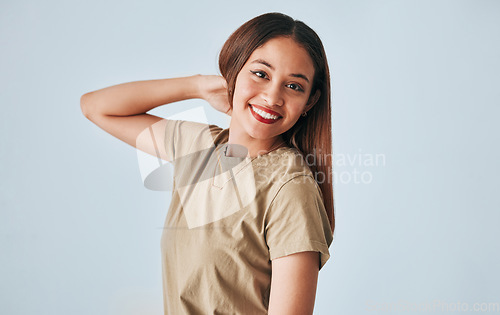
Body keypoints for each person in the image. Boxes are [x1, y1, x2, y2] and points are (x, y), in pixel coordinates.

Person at [81, 12, 335, 315]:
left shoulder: (291, 188)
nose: (272, 97)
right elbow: (96, 107)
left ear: (309, 101)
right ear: (234, 69)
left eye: (294, 86)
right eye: (261, 74)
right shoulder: (199, 147)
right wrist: (197, 86)